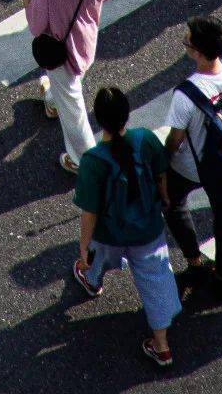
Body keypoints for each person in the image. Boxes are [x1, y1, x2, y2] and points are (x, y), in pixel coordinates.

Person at [71, 86, 180, 370]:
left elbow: (89, 213)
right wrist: (165, 198)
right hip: (148, 229)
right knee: (156, 280)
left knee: (98, 257)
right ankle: (162, 346)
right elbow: (160, 173)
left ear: (98, 120)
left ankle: (92, 280)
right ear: (127, 115)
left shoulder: (94, 161)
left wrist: (84, 247)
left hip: (110, 232)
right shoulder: (144, 139)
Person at [163, 14, 222, 303]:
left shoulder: (186, 94)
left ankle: (194, 262)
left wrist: (161, 164)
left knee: (173, 202)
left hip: (191, 168)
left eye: (187, 41)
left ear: (197, 51)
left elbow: (175, 140)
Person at [19, 0, 108, 174]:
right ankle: (52, 102)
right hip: (85, 43)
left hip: (61, 53)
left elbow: (36, 25)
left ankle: (85, 161)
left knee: (73, 112)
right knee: (67, 88)